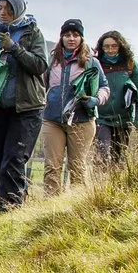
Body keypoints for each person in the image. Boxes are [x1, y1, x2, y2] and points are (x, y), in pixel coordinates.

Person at [0, 0, 47, 211]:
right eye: (0, 8)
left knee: (13, 161)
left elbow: (40, 65)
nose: (3, 13)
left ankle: (9, 213)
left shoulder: (32, 33)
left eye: (8, 8)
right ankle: (9, 204)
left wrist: (15, 49)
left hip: (26, 108)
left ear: (18, 9)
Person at [39, 18, 101, 197]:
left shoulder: (91, 62)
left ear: (81, 38)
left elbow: (104, 87)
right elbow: (44, 84)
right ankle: (51, 208)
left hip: (82, 120)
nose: (71, 38)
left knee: (77, 167)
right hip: (52, 119)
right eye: (67, 35)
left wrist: (95, 100)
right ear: (61, 38)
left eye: (75, 35)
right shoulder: (52, 60)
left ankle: (76, 206)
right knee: (52, 166)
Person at [96, 30, 138, 164]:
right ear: (101, 48)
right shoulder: (96, 65)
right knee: (103, 155)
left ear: (121, 46)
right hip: (101, 119)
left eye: (114, 46)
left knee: (118, 159)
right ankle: (100, 182)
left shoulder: (131, 65)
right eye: (106, 46)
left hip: (124, 120)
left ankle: (112, 184)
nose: (110, 50)